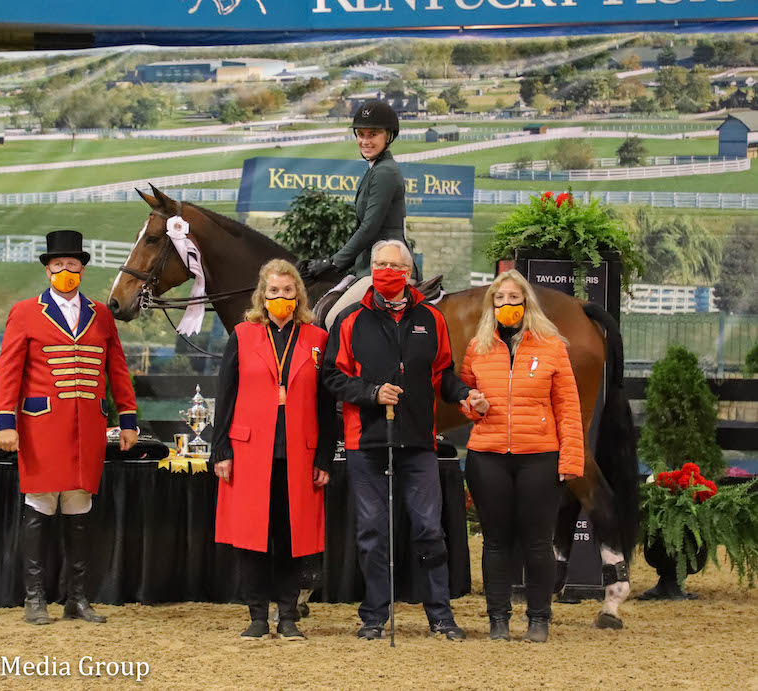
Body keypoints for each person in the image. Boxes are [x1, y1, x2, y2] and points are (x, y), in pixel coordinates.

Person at [322, 240, 483, 641]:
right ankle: (374, 615)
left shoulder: (432, 319)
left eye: (394, 265)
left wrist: (464, 394)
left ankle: (441, 615)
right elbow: (333, 377)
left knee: (430, 529)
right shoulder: (348, 320)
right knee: (372, 532)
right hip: (366, 442)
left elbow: (443, 373)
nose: (386, 270)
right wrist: (371, 393)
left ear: (409, 272)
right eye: (379, 264)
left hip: (419, 443)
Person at [0, 230, 139, 625]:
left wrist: (128, 418)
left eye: (72, 265)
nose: (65, 271)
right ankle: (34, 597)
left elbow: (118, 370)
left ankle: (77, 598)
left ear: (82, 269)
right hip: (41, 426)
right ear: (47, 270)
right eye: (57, 265)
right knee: (40, 504)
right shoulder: (24, 312)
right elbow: (8, 371)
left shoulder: (101, 313)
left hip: (87, 428)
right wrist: (5, 422)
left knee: (79, 507)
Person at [211, 259, 337, 642]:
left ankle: (288, 616)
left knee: (290, 537)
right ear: (261, 297)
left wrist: (324, 457)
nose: (281, 297)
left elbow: (325, 403)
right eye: (273, 291)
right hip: (249, 452)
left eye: (287, 291)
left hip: (299, 453)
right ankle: (256, 617)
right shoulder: (243, 334)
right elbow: (225, 396)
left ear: (298, 294)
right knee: (253, 538)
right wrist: (220, 451)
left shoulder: (317, 338)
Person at [459, 269, 585, 643]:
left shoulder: (552, 346)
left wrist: (571, 460)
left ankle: (539, 619)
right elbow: (464, 396)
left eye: (514, 298)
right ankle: (498, 619)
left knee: (537, 542)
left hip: (539, 457)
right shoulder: (477, 347)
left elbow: (568, 407)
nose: (507, 305)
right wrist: (473, 405)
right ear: (491, 305)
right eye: (500, 299)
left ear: (526, 302)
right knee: (495, 541)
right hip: (488, 456)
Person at [307, 99, 411, 280]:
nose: (365, 141)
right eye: (360, 134)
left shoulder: (384, 172)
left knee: (345, 309)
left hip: (386, 266)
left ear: (388, 136)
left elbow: (369, 227)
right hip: (370, 263)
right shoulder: (376, 169)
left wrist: (333, 263)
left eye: (372, 134)